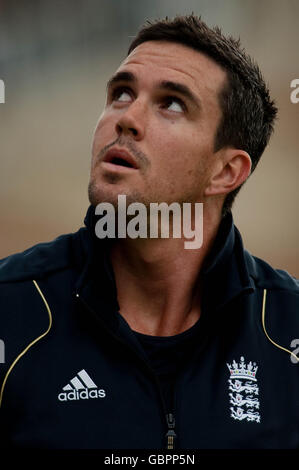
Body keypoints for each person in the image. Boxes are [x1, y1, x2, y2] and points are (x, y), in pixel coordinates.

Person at [0, 14, 298, 451]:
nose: (127, 119)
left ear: (226, 170)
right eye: (121, 94)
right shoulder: (11, 310)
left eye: (171, 103)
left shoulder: (287, 332)